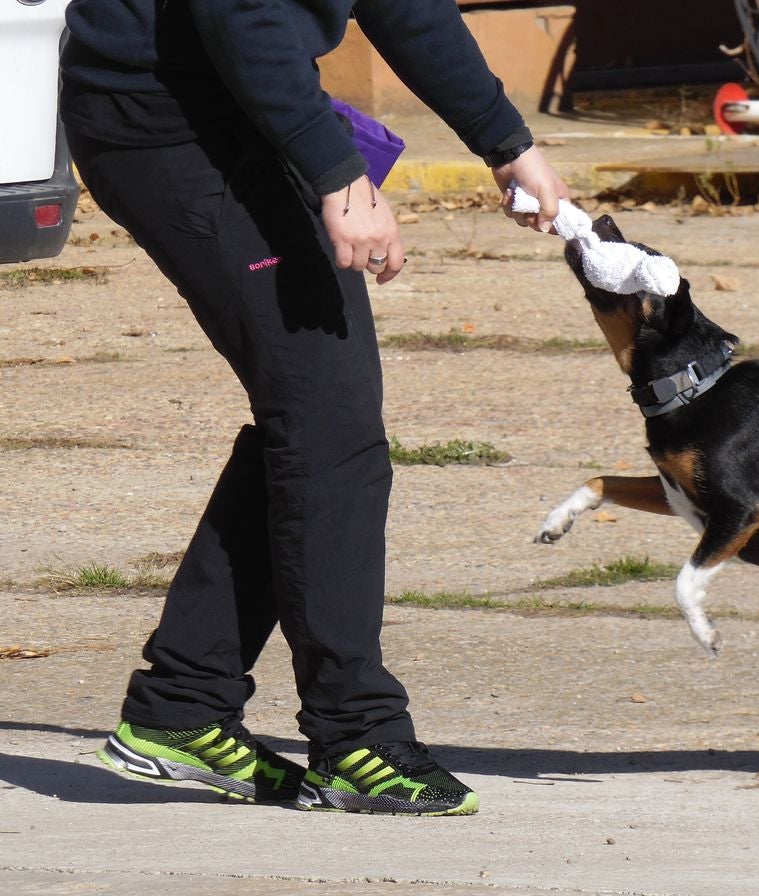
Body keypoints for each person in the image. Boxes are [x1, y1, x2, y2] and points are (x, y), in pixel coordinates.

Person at [59, 0, 568, 816]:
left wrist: (508, 142)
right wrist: (337, 174)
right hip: (163, 125)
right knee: (327, 423)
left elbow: (407, 8)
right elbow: (246, 18)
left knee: (314, 419)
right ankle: (356, 734)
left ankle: (183, 705)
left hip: (241, 111)